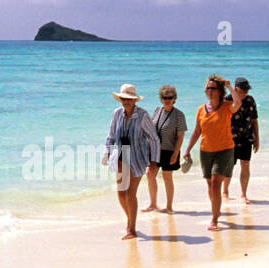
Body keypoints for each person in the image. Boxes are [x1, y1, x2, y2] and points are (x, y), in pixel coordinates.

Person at [102, 83, 160, 240]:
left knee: (130, 193)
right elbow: (111, 135)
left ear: (135, 100)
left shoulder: (143, 115)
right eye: (123, 98)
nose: (126, 101)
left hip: (137, 156)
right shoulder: (117, 113)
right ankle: (130, 221)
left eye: (129, 99)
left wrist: (154, 161)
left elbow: (154, 138)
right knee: (121, 193)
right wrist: (106, 151)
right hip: (121, 155)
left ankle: (132, 229)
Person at [181, 74, 238, 232]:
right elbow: (197, 132)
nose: (210, 91)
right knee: (210, 185)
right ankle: (216, 208)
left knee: (215, 184)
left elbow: (238, 103)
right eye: (208, 88)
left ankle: (214, 219)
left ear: (219, 91)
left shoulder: (227, 106)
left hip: (225, 150)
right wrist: (187, 149)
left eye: (213, 88)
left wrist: (230, 87)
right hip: (205, 151)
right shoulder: (201, 110)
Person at [145, 84, 187, 214]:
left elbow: (180, 137)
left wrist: (175, 154)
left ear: (174, 98)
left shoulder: (179, 115)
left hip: (169, 150)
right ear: (161, 98)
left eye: (170, 97)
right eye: (164, 97)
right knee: (150, 174)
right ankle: (153, 204)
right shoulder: (157, 110)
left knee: (167, 177)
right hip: (155, 150)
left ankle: (169, 206)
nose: (167, 100)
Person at [222, 76, 259, 203]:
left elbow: (254, 121)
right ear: (236, 88)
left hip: (247, 138)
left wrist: (257, 139)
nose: (245, 92)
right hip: (230, 139)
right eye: (243, 90)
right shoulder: (226, 100)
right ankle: (225, 192)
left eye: (247, 90)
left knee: (245, 164)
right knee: (229, 167)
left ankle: (243, 194)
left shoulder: (250, 100)